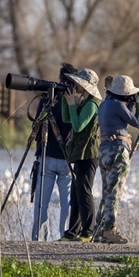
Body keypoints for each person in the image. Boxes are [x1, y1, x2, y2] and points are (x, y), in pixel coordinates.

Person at [94, 75, 139, 243]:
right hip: (117, 150)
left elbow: (120, 118)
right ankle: (110, 231)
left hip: (103, 150)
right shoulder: (117, 105)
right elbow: (137, 122)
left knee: (106, 191)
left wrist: (130, 104)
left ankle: (99, 229)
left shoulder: (104, 105)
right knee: (115, 192)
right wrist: (138, 103)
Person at [31, 62, 78, 241]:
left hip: (46, 155)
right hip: (68, 158)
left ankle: (39, 239)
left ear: (59, 79)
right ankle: (65, 238)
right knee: (67, 203)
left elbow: (36, 127)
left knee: (41, 203)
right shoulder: (75, 100)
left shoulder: (46, 99)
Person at [59, 68, 102, 242]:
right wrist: (65, 100)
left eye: (77, 83)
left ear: (85, 86)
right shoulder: (84, 102)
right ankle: (72, 232)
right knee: (75, 194)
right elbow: (66, 119)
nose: (74, 85)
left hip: (89, 154)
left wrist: (71, 104)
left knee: (84, 191)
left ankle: (87, 231)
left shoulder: (92, 104)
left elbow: (78, 127)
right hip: (80, 152)